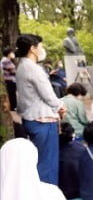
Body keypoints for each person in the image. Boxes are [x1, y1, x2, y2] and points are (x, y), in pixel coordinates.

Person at [15, 33, 66, 185]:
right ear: (33, 49)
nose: (43, 50)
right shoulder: (33, 69)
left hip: (31, 119)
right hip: (43, 121)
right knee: (48, 165)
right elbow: (48, 95)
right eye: (41, 46)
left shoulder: (22, 66)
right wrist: (61, 107)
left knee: (40, 162)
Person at [58, 122, 85, 200]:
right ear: (72, 135)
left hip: (60, 191)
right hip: (78, 191)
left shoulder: (50, 151)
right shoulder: (81, 148)